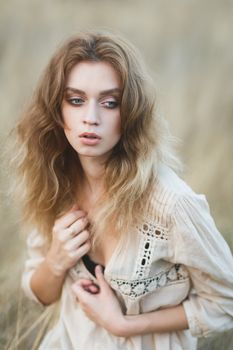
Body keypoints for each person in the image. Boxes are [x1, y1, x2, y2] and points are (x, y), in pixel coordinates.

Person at [14, 31, 233, 350]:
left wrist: (124, 324)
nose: (90, 118)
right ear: (57, 110)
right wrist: (56, 260)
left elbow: (226, 301)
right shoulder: (53, 183)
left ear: (131, 111)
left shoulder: (172, 204)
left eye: (110, 103)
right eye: (76, 100)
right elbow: (41, 294)